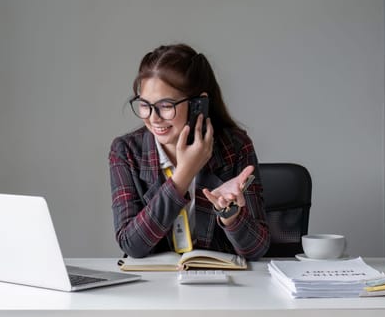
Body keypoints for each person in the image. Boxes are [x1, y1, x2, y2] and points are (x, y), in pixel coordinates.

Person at [109, 43, 270, 260]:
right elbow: (131, 245)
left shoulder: (236, 146)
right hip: (153, 287)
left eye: (166, 105)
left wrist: (231, 215)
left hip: (222, 287)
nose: (153, 117)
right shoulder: (126, 151)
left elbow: (257, 250)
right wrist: (184, 174)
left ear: (198, 104)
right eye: (145, 104)